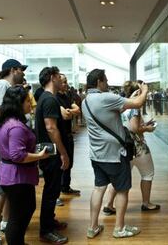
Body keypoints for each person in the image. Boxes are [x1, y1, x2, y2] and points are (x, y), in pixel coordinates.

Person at [82, 69, 148, 239]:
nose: (108, 83)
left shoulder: (86, 101)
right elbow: (139, 103)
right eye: (106, 80)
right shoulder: (106, 97)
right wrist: (145, 91)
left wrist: (130, 96)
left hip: (96, 154)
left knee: (98, 189)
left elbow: (113, 111)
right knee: (122, 191)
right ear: (99, 82)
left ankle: (93, 227)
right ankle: (119, 228)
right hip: (114, 154)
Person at [0, 86, 49, 244]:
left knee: (22, 212)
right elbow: (17, 155)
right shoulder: (16, 126)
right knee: (18, 216)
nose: (30, 104)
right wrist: (39, 156)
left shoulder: (8, 122)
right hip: (17, 177)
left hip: (12, 174)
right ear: (18, 103)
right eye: (27, 101)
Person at [0, 59, 27, 245]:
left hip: (8, 142)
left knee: (7, 187)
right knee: (0, 188)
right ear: (12, 70)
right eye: (21, 70)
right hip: (0, 144)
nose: (23, 74)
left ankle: (5, 221)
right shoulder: (2, 84)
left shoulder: (8, 85)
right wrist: (15, 123)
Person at [103, 80, 159, 216]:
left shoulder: (120, 104)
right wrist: (148, 128)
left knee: (119, 176)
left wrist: (143, 123)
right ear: (139, 92)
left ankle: (108, 205)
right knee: (148, 174)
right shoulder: (135, 107)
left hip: (123, 146)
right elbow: (135, 128)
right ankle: (146, 203)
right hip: (137, 147)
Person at [35, 67, 69, 244]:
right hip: (51, 153)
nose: (60, 79)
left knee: (53, 189)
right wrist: (63, 153)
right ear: (51, 77)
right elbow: (51, 128)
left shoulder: (48, 98)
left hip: (49, 151)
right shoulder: (48, 99)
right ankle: (46, 230)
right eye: (57, 76)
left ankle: (49, 222)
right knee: (51, 191)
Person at [56, 74, 81, 199]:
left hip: (68, 134)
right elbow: (66, 115)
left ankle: (66, 186)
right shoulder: (54, 97)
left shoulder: (67, 96)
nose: (66, 84)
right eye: (63, 81)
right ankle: (57, 192)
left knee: (69, 162)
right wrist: (70, 112)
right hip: (59, 135)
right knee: (60, 163)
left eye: (66, 81)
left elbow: (77, 110)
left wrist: (69, 111)